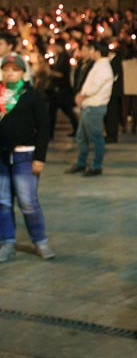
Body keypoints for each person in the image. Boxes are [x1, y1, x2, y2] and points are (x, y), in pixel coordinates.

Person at [0, 54, 55, 262]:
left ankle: (40, 241)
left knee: (28, 202)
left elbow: (43, 128)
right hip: (2, 157)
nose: (9, 73)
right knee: (3, 202)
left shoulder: (32, 95)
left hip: (25, 155)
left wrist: (39, 157)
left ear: (23, 72)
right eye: (6, 69)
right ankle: (7, 241)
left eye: (14, 70)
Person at [65, 40, 113, 177]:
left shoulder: (104, 67)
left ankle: (96, 165)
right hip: (89, 105)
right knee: (82, 137)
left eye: (92, 50)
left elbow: (95, 86)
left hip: (94, 106)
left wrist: (82, 95)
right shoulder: (99, 65)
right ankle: (81, 162)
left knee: (96, 137)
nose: (90, 53)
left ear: (98, 52)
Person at [46, 38, 79, 138]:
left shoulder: (64, 57)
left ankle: (76, 128)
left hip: (62, 89)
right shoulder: (59, 56)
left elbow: (62, 74)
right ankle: (49, 132)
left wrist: (50, 72)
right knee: (52, 111)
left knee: (66, 109)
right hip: (57, 90)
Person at [121, 45, 137, 134]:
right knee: (135, 109)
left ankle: (124, 126)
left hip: (126, 88)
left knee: (125, 109)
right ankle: (134, 126)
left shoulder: (123, 64)